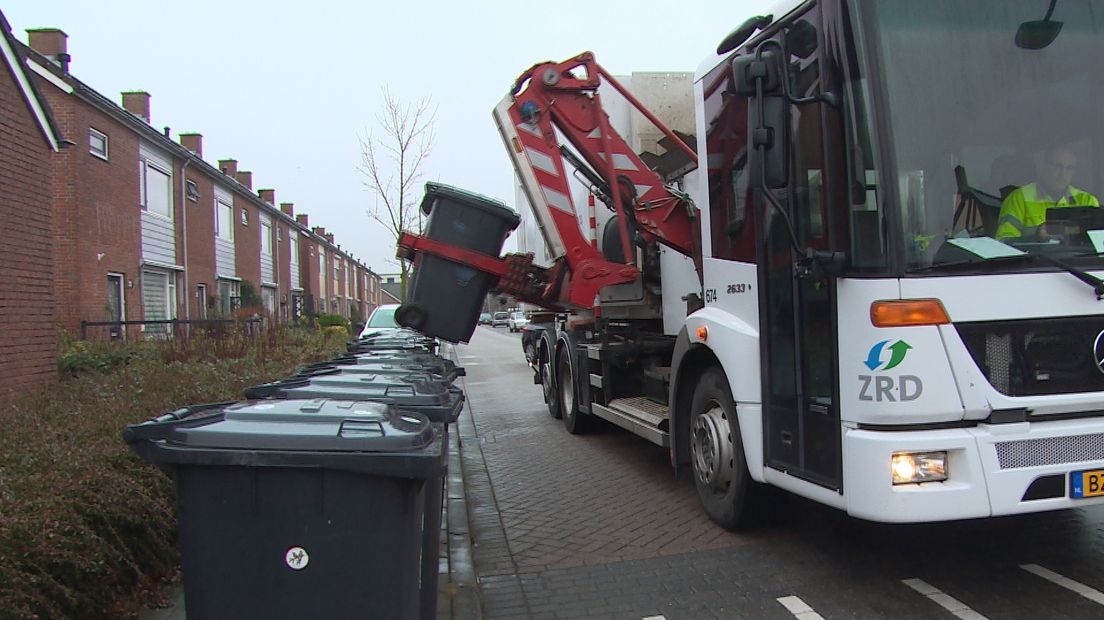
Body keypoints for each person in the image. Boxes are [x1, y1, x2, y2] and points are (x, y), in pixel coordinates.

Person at [995, 145, 1100, 241]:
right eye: (1058, 166)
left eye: (1069, 168)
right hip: (1033, 261)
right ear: (1044, 166)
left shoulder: (1087, 201)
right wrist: (1034, 238)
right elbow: (1003, 242)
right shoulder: (1019, 198)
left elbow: (1100, 243)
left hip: (1081, 262)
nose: (1062, 173)